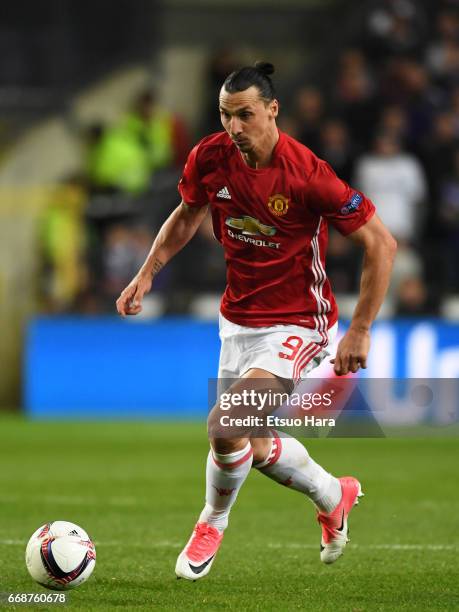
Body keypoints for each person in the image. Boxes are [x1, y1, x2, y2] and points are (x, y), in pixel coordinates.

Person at [116, 62, 397, 580]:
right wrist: (147, 272)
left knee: (226, 425)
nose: (234, 127)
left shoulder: (308, 173)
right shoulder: (210, 156)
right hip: (238, 320)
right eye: (226, 115)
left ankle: (211, 523)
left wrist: (360, 328)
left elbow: (381, 243)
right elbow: (187, 213)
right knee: (256, 445)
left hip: (298, 321)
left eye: (245, 115)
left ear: (272, 110)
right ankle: (336, 495)